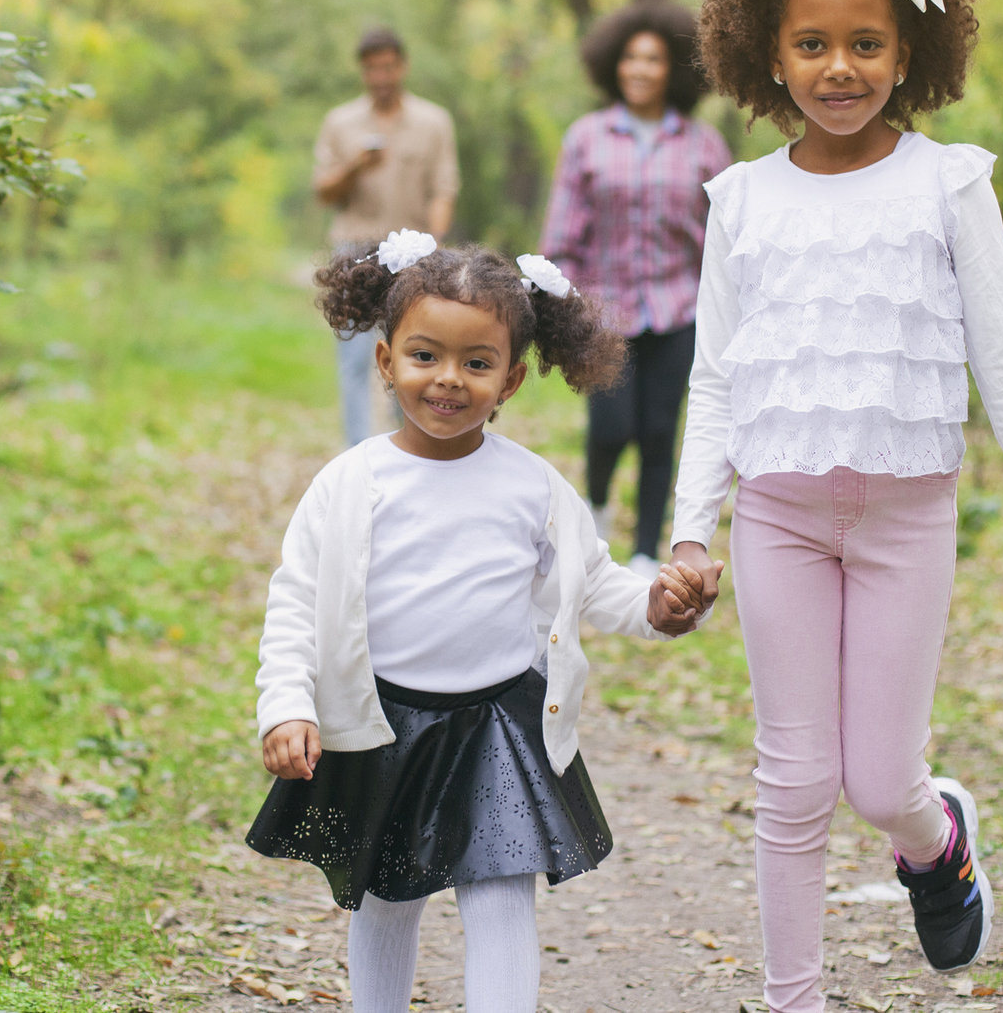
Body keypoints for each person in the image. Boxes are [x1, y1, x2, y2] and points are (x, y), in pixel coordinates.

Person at [669, 0, 1003, 1013]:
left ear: (906, 47)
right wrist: (688, 531)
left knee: (879, 781)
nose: (839, 66)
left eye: (864, 42)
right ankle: (794, 1000)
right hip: (776, 512)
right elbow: (714, 378)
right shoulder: (739, 201)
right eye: (812, 43)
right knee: (793, 782)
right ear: (767, 55)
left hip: (904, 519)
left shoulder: (947, 185)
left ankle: (935, 841)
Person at [246, 232, 715, 1013]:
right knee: (388, 894)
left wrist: (657, 608)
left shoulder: (532, 487)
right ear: (386, 359)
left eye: (476, 362)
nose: (448, 380)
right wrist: (287, 703)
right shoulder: (351, 482)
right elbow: (295, 599)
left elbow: (592, 582)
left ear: (512, 378)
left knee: (501, 896)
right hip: (385, 722)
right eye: (426, 355)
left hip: (497, 721)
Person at [540, 0, 733, 580]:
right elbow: (562, 233)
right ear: (614, 66)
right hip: (604, 312)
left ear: (672, 68)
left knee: (658, 432)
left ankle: (648, 550)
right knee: (611, 427)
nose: (642, 70)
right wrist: (560, 303)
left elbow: (721, 237)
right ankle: (596, 507)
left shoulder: (702, 144)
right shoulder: (586, 138)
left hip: (679, 309)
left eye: (654, 59)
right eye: (631, 58)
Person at [313, 28, 460, 447]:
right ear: (362, 71)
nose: (380, 76)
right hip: (355, 253)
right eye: (372, 68)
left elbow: (444, 188)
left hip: (414, 254)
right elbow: (324, 192)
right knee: (355, 361)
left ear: (403, 66)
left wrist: (435, 245)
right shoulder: (340, 122)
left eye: (388, 66)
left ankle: (411, 447)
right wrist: (355, 165)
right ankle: (357, 458)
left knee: (413, 356)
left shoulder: (434, 122)